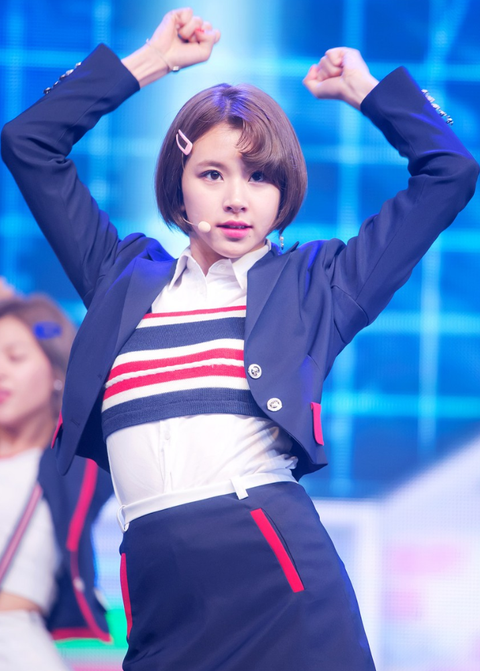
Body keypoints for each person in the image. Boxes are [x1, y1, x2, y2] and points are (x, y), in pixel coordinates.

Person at [1, 7, 478, 671]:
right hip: (159, 585)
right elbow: (28, 141)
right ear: (178, 189)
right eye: (213, 173)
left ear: (284, 194)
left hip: (274, 572)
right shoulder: (120, 277)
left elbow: (450, 169)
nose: (236, 198)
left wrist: (368, 92)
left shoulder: (318, 286)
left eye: (259, 176)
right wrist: (152, 62)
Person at [0, 285, 112, 671]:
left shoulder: (75, 462)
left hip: (16, 645)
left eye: (15, 357)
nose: (0, 370)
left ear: (55, 372)